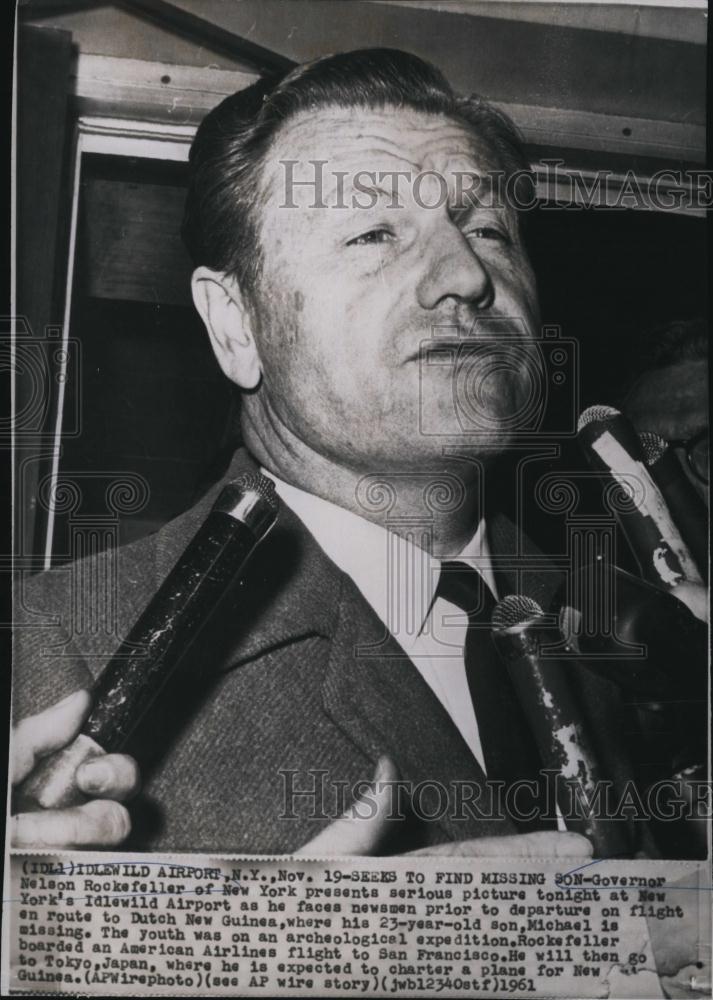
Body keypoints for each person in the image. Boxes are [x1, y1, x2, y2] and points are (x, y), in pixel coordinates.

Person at [11, 48, 704, 858]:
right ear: (235, 323)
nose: (464, 276)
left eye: (485, 228)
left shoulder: (646, 637)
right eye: (375, 232)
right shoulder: (53, 654)